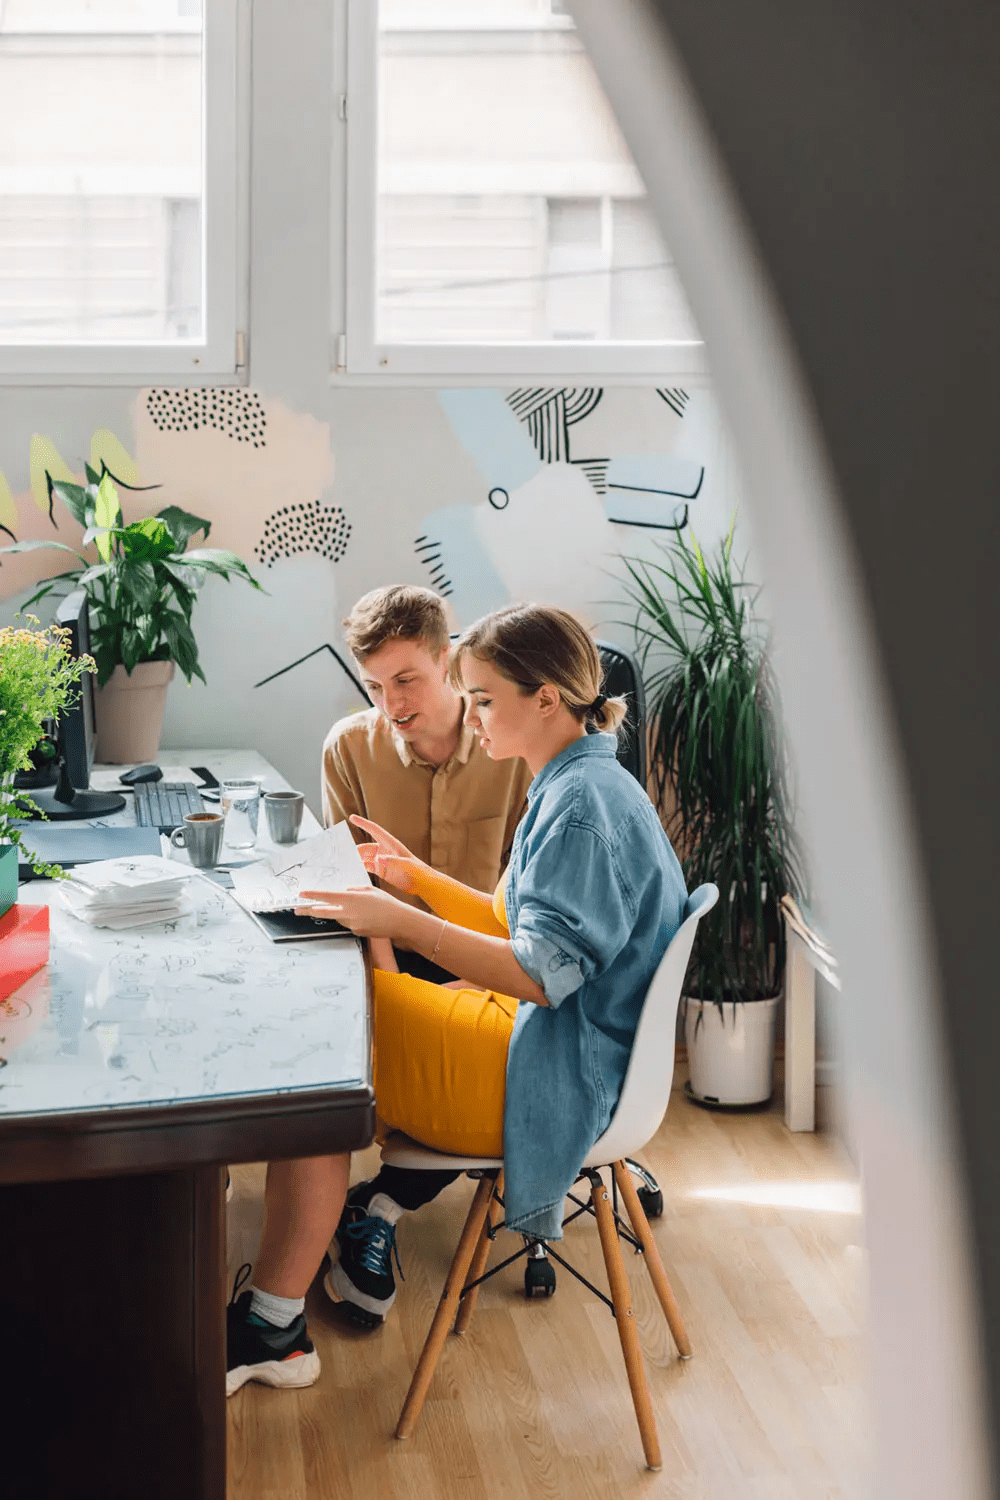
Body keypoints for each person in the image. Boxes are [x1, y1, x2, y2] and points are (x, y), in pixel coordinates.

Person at [226, 604, 687, 1396]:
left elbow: (544, 974)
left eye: (480, 697)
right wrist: (419, 879)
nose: (469, 716)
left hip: (555, 1066)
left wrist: (402, 920)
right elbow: (517, 923)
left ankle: (273, 1324)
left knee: (310, 1050)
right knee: (320, 1019)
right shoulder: (579, 774)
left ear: (545, 698)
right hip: (559, 1042)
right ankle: (281, 1297)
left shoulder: (578, 806)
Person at [318, 585, 532, 1327]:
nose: (392, 703)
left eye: (406, 679)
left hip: (495, 954)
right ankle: (367, 1201)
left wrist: (460, 986)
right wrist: (391, 986)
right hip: (392, 956)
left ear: (448, 661)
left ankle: (379, 1203)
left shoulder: (512, 748)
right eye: (375, 685)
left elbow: (524, 912)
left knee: (480, 1073)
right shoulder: (349, 748)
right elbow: (354, 883)